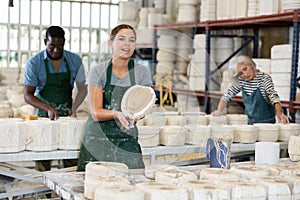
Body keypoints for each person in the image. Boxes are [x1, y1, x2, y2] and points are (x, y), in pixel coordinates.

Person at [77, 24, 153, 171]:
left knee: (134, 181)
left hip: (126, 139)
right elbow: (96, 112)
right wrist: (117, 114)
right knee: (94, 185)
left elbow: (145, 104)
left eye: (132, 40)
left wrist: (138, 115)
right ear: (111, 43)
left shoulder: (141, 72)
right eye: (122, 39)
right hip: (97, 139)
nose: (127, 44)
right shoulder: (98, 71)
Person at [23, 26, 87, 171]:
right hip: (43, 115)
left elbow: (83, 89)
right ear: (45, 41)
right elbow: (28, 95)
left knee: (70, 156)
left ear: (64, 42)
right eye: (52, 46)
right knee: (43, 158)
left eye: (60, 46)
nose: (56, 50)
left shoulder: (74, 60)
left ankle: (67, 192)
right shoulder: (35, 63)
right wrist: (48, 108)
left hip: (66, 113)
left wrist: (75, 107)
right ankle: (44, 193)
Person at [212, 54, 290, 125]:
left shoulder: (264, 78)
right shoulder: (242, 82)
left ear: (250, 65)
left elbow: (273, 96)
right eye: (240, 73)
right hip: (249, 124)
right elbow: (226, 96)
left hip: (266, 124)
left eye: (245, 69)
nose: (245, 74)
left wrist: (279, 112)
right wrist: (219, 111)